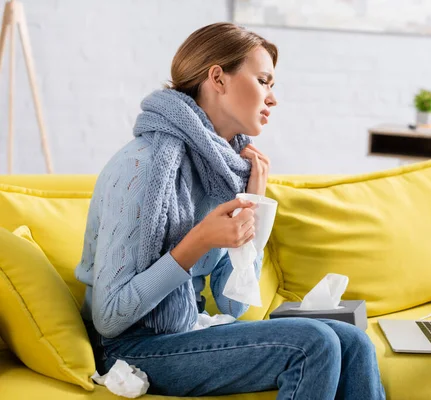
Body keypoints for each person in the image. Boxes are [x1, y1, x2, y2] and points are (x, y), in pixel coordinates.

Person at [75, 22, 385, 399]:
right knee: (313, 342)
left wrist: (255, 203)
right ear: (218, 78)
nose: (272, 99)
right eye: (263, 81)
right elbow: (110, 318)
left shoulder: (224, 171)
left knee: (354, 341)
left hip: (189, 329)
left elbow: (232, 304)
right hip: (128, 346)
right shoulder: (141, 168)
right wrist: (198, 242)